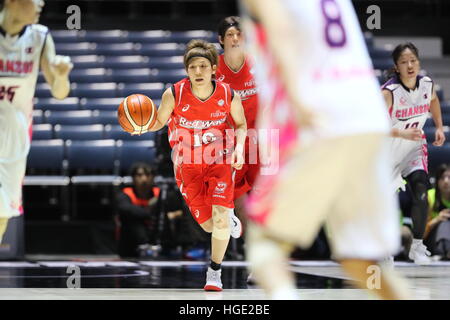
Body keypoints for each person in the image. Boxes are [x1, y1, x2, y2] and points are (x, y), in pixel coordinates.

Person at [241, 0, 410, 299]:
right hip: (367, 115)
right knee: (360, 261)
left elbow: (280, 29)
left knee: (265, 245)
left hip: (321, 113)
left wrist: (297, 96)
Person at [146, 39, 247, 291]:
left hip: (219, 159)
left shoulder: (227, 94)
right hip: (187, 163)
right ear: (187, 70)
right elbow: (159, 122)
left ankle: (214, 272)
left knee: (220, 221)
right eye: (193, 67)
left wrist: (239, 150)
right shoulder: (174, 94)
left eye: (203, 66)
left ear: (214, 68)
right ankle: (228, 218)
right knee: (209, 225)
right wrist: (140, 125)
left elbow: (241, 124)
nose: (198, 72)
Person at [0, 0, 73, 243]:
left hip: (14, 135)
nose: (41, 3)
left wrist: (62, 76)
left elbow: (59, 92)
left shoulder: (40, 36)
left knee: (3, 210)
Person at [382, 42, 446, 264]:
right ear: (396, 67)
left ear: (418, 62)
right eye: (403, 62)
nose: (409, 65)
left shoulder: (427, 84)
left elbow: (434, 101)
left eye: (413, 61)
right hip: (388, 153)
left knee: (420, 188)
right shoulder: (389, 93)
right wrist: (401, 133)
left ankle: (417, 247)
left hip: (413, 149)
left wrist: (439, 126)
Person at [216, 16, 259, 236]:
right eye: (230, 35)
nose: (235, 39)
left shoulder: (258, 63)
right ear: (221, 39)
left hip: (261, 138)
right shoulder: (214, 69)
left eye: (239, 34)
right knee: (241, 200)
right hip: (232, 143)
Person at [116, 162, 161, 258]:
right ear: (133, 178)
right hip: (131, 243)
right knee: (131, 219)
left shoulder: (160, 194)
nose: (144, 179)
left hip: (156, 234)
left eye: (148, 175)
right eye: (139, 175)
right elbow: (125, 209)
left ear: (153, 177)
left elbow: (175, 212)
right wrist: (150, 213)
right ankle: (144, 247)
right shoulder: (126, 194)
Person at [424, 164, 450, 259]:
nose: (446, 181)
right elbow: (421, 233)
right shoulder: (430, 197)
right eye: (442, 178)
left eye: (449, 177)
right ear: (437, 181)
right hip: (432, 241)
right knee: (444, 224)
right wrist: (438, 219)